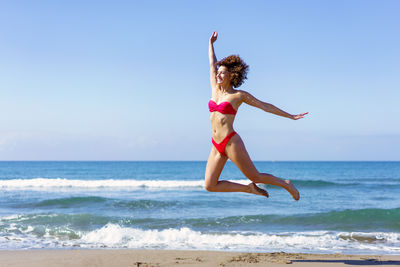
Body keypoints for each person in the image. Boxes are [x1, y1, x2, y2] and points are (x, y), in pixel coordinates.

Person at [205, 31, 308, 200]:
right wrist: (211, 44)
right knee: (210, 185)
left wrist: (291, 116)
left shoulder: (238, 96)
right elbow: (211, 64)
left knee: (256, 176)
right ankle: (249, 189)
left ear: (232, 76)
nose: (218, 74)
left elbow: (265, 106)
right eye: (219, 72)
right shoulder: (214, 89)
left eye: (222, 72)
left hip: (231, 142)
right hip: (216, 144)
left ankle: (286, 184)